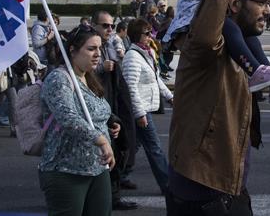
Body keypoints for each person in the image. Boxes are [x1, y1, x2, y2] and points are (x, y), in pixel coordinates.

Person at [166, 0, 270, 215]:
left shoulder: (238, 43)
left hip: (230, 184)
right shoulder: (206, 45)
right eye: (263, 4)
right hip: (200, 187)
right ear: (232, 4)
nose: (268, 11)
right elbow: (233, 5)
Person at [39, 26, 117, 216]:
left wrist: (110, 124)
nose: (98, 54)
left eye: (99, 48)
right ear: (73, 50)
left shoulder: (88, 77)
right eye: (91, 49)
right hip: (66, 170)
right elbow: (68, 117)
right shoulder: (59, 78)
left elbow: (97, 110)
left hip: (97, 167)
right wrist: (101, 139)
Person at [91, 11, 138, 211]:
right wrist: (102, 66)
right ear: (94, 25)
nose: (109, 29)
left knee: (119, 147)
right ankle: (106, 196)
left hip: (110, 103)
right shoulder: (88, 43)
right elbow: (79, 69)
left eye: (111, 25)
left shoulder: (110, 43)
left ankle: (113, 193)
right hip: (96, 105)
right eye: (105, 26)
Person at [121, 18, 171, 196]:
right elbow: (130, 88)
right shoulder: (132, 57)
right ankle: (167, 185)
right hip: (140, 110)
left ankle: (119, 175)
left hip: (145, 107)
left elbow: (156, 78)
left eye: (151, 33)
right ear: (137, 35)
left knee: (133, 145)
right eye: (147, 33)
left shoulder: (146, 53)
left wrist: (170, 97)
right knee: (154, 147)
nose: (151, 36)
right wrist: (140, 113)